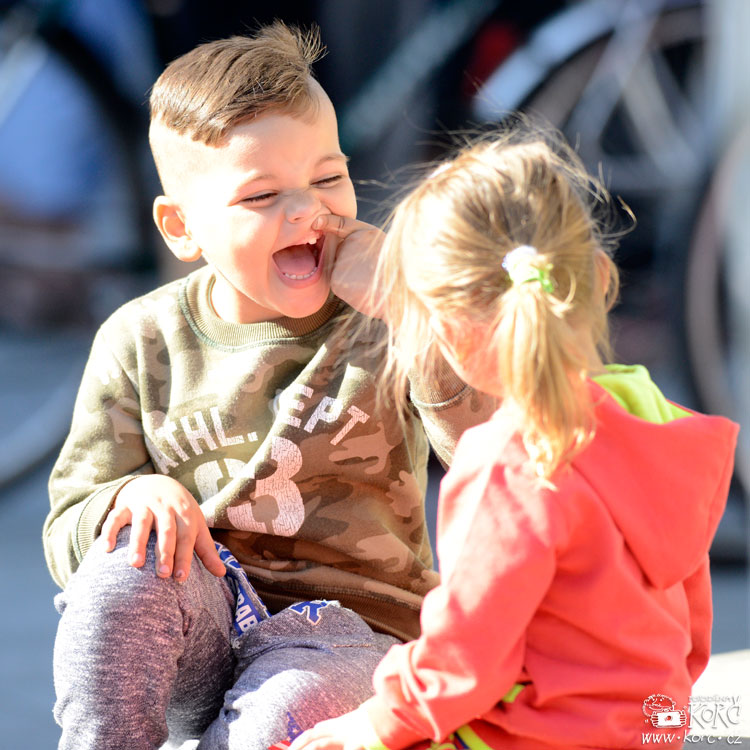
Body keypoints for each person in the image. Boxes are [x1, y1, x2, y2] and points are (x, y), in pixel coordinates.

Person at [42, 23, 495, 750]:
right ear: (182, 227)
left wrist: (414, 311)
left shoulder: (386, 321)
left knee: (281, 710)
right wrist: (126, 499)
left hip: (356, 636)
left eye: (328, 178)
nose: (308, 210)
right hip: (202, 620)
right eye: (261, 195)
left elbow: (489, 451)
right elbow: (69, 527)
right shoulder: (142, 339)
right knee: (120, 578)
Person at [290, 127, 739, 750]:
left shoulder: (506, 463)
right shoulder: (654, 419)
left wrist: (373, 722)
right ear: (597, 277)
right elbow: (690, 631)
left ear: (446, 325)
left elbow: (466, 659)